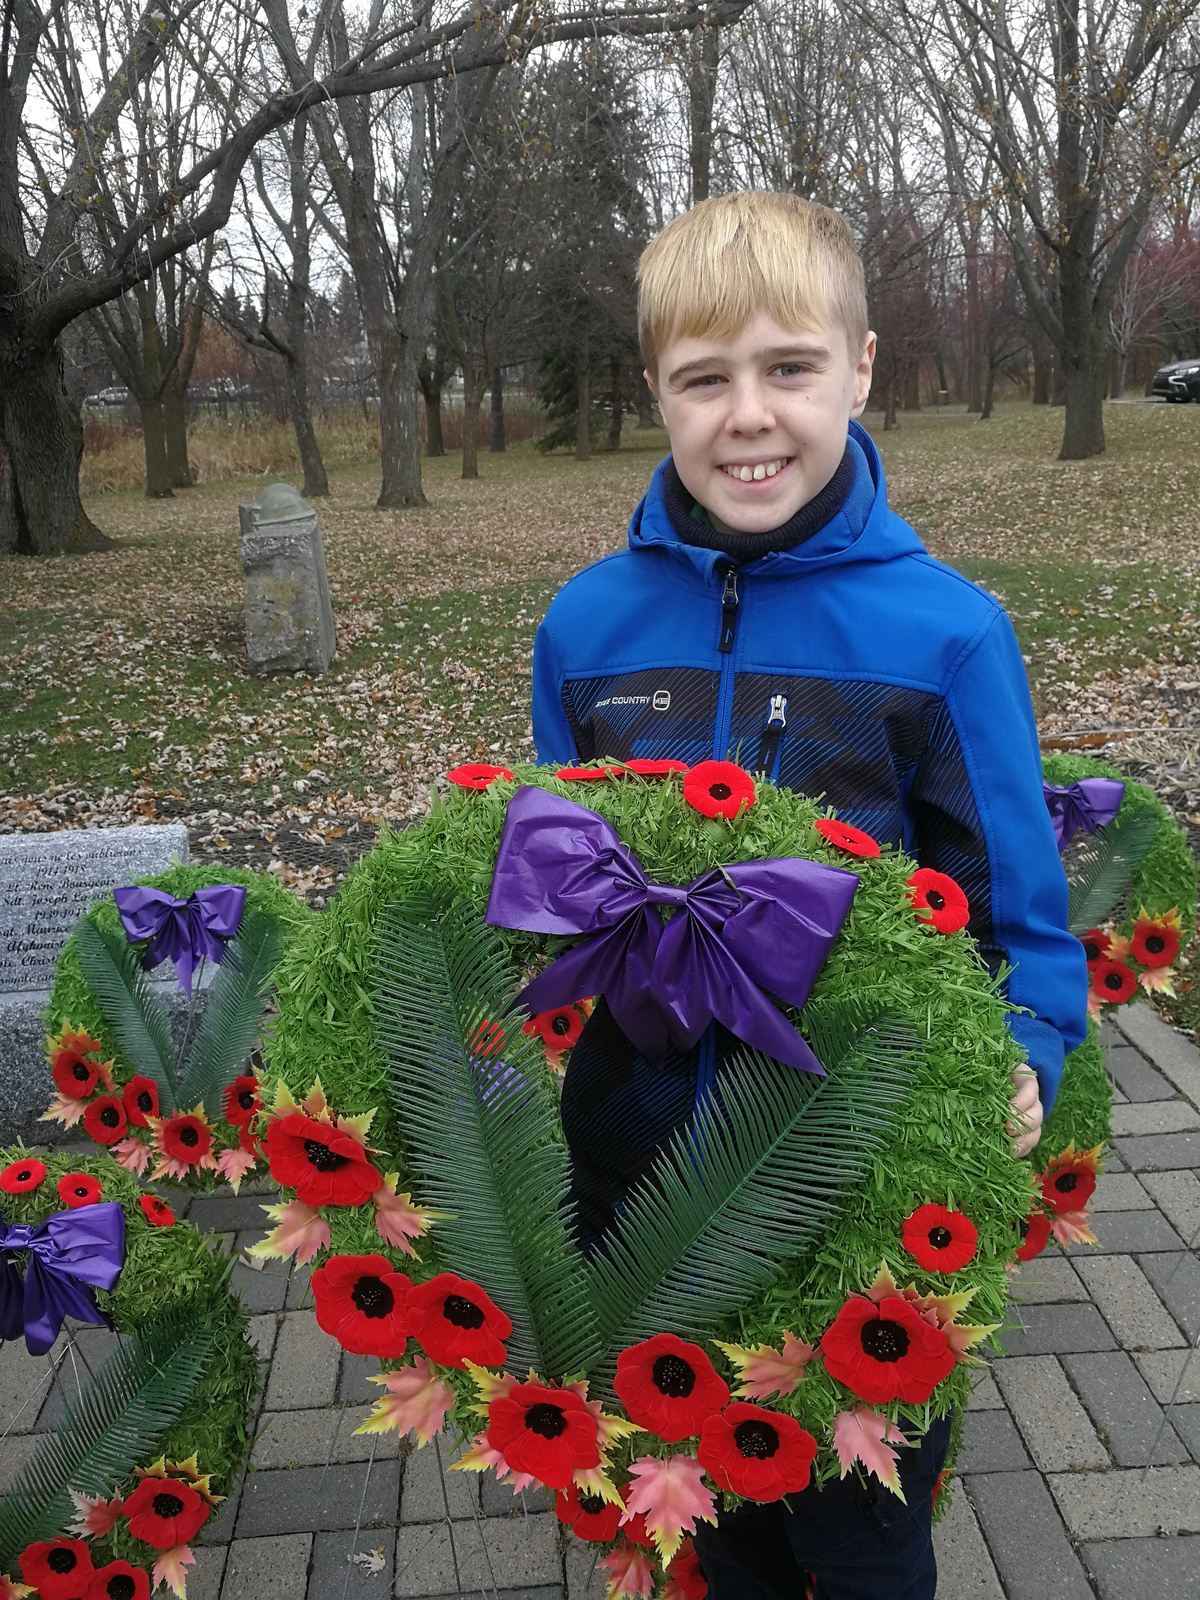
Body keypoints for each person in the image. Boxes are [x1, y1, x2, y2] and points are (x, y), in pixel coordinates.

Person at [529, 190, 1088, 1598]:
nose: (749, 416)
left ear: (862, 367)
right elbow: (550, 881)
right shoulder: (588, 627)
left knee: (863, 1523)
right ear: (655, 389)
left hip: (861, 1175)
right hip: (639, 1164)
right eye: (703, 379)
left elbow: (1018, 912)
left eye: (789, 367)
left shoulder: (946, 633)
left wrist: (1025, 1048)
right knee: (702, 1505)